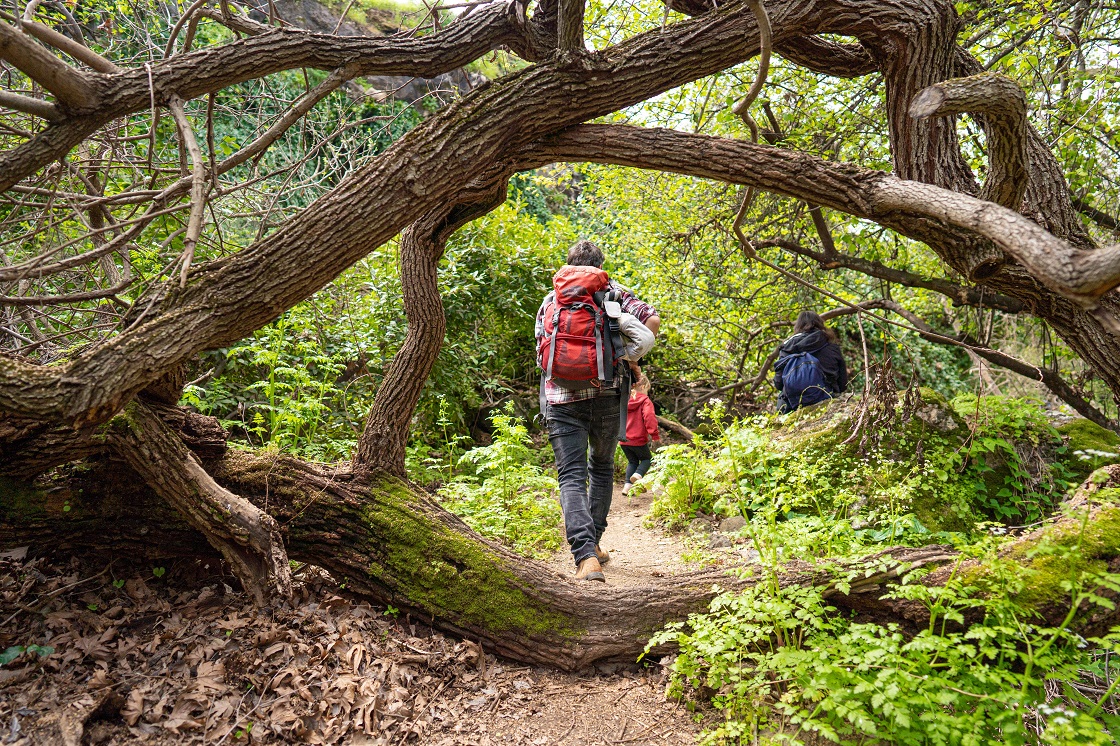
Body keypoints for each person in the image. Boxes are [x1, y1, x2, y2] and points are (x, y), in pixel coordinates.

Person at [536, 240, 660, 582]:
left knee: (571, 475)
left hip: (561, 399)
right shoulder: (615, 292)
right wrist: (627, 359)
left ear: (569, 265)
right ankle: (594, 545)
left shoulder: (552, 298)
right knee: (602, 468)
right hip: (607, 394)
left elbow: (540, 350)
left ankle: (585, 555)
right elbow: (652, 322)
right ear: (601, 265)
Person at [773, 310, 848, 413]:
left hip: (791, 406)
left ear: (798, 326)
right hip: (825, 400)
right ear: (820, 324)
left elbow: (778, 384)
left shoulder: (787, 347)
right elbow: (843, 384)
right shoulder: (832, 347)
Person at [620, 374, 659, 495]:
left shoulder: (623, 399)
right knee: (647, 459)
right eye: (647, 390)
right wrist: (654, 435)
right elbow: (649, 417)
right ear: (643, 386)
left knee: (633, 462)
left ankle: (627, 487)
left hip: (624, 439)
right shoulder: (645, 401)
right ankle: (638, 476)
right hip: (638, 439)